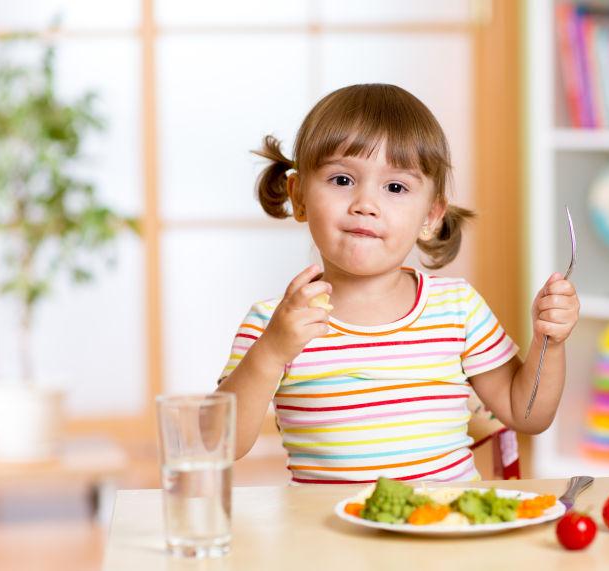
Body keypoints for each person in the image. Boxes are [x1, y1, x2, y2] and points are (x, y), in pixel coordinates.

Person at [216, 84, 579, 484]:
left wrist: (550, 341)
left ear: (431, 215)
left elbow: (527, 414)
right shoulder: (275, 322)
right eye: (341, 180)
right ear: (299, 196)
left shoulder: (457, 307)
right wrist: (270, 352)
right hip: (329, 541)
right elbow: (216, 444)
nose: (365, 204)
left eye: (395, 188)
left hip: (444, 530)